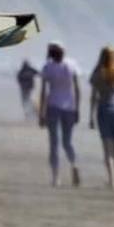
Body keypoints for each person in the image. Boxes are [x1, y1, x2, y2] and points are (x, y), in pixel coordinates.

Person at [39, 42, 81, 187]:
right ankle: (74, 163)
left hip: (53, 106)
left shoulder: (47, 67)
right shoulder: (71, 64)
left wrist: (41, 113)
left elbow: (43, 92)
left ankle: (56, 177)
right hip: (69, 107)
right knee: (67, 142)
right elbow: (77, 89)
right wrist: (77, 109)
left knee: (54, 143)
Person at [89, 46, 114, 188]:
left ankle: (112, 180)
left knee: (107, 149)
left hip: (104, 110)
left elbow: (93, 96)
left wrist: (91, 116)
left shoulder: (97, 73)